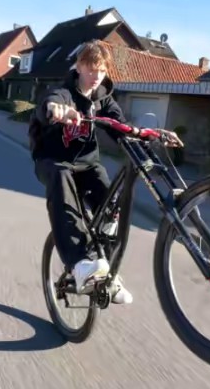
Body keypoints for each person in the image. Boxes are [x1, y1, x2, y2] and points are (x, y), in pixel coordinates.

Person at [30, 40, 181, 303]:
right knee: (62, 184)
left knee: (112, 208)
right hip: (53, 161)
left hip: (87, 165)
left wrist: (152, 135)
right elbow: (50, 103)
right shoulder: (64, 92)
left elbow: (121, 127)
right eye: (91, 69)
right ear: (78, 67)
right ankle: (79, 263)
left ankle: (109, 276)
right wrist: (56, 110)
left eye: (101, 70)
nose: (96, 76)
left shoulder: (103, 99)